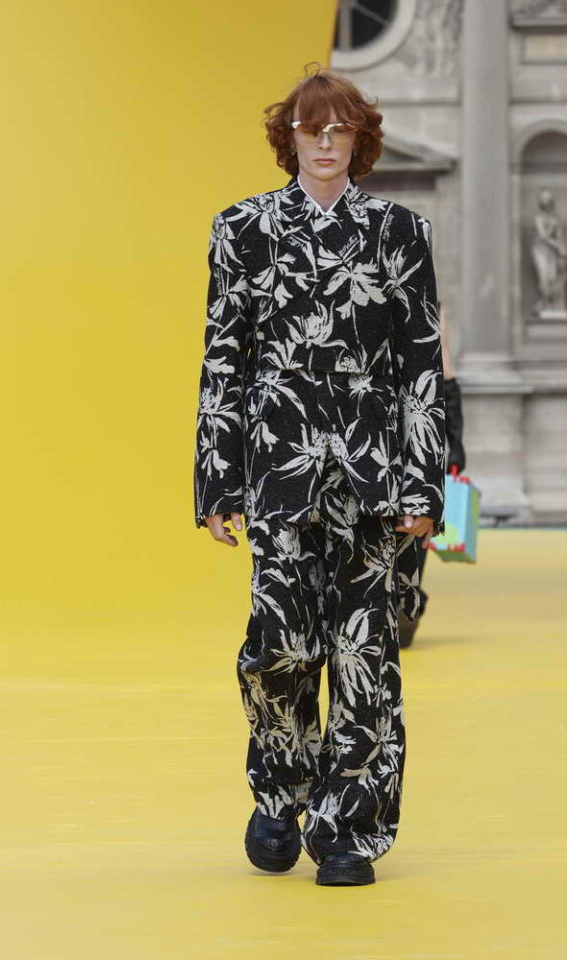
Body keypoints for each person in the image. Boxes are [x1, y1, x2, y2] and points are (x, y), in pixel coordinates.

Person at [193, 63, 446, 886]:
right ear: (290, 138)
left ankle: (349, 830)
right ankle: (281, 790)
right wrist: (216, 480)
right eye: (311, 128)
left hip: (374, 480)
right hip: (278, 472)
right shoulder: (242, 230)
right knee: (279, 647)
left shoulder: (401, 233)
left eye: (340, 129)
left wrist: (425, 484)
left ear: (360, 139)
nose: (326, 142)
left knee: (365, 656)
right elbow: (224, 361)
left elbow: (419, 366)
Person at [397, 300, 466, 648]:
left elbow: (446, 376)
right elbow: (446, 376)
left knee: (415, 529)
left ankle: (404, 606)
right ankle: (404, 604)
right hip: (415, 442)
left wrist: (455, 444)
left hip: (415, 445)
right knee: (413, 531)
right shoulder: (421, 310)